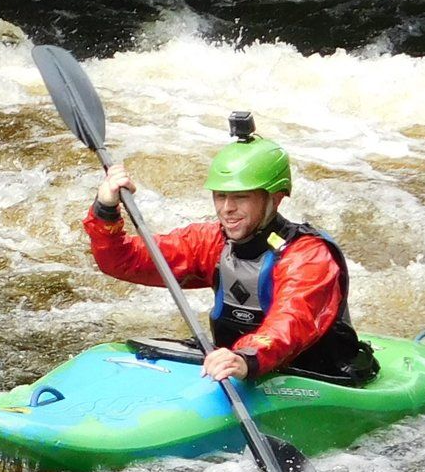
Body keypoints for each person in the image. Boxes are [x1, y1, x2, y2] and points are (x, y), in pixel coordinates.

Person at [85, 113, 376, 383]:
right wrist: (106, 208)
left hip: (313, 380)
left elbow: (291, 321)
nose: (227, 209)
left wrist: (246, 356)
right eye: (221, 196)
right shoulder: (211, 241)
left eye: (241, 197)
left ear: (274, 199)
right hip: (236, 369)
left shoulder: (308, 256)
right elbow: (123, 261)